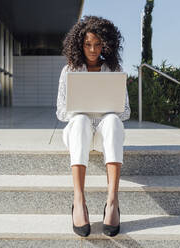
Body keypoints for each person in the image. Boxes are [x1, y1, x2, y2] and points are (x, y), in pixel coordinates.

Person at [56, 15, 131, 237]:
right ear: (80, 44)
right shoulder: (69, 70)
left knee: (114, 120)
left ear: (105, 44)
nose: (92, 49)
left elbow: (126, 111)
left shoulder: (114, 69)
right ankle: (79, 201)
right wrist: (80, 106)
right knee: (79, 120)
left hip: (104, 133)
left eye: (98, 44)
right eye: (88, 44)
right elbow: (60, 112)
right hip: (79, 133)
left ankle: (112, 202)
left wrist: (107, 107)